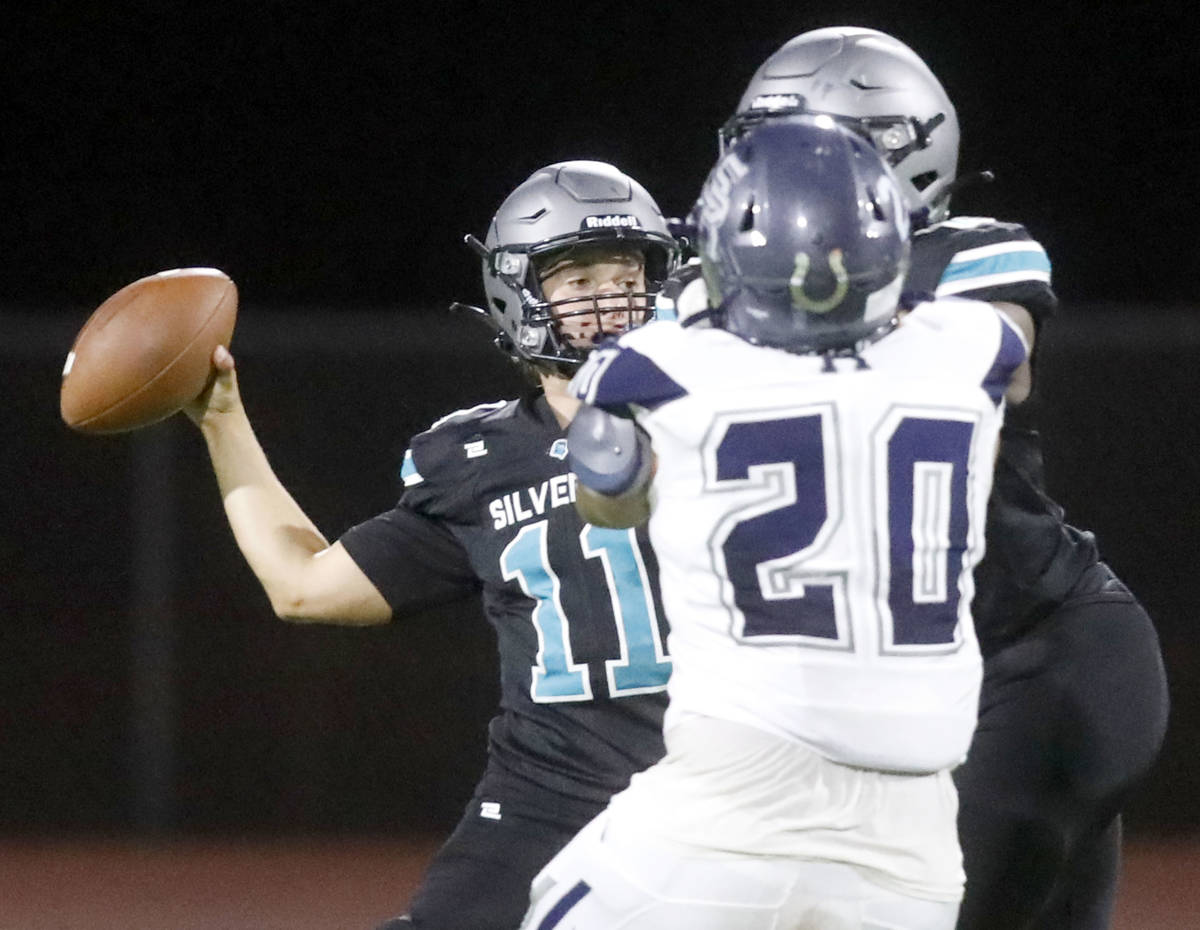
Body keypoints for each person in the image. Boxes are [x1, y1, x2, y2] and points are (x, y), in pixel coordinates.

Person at [521, 115, 1030, 930]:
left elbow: (606, 500)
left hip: (732, 797)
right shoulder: (974, 347)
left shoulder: (660, 366)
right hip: (917, 836)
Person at [711, 27, 1169, 930]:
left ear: (900, 157)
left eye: (801, 150)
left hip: (1038, 662)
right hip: (905, 697)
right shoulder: (723, 288)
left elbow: (994, 364)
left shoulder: (968, 255)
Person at [184, 160, 679, 930]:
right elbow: (305, 585)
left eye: (627, 273)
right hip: (548, 797)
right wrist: (221, 419)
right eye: (578, 281)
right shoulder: (479, 462)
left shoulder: (734, 411)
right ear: (521, 293)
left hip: (717, 786)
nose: (610, 301)